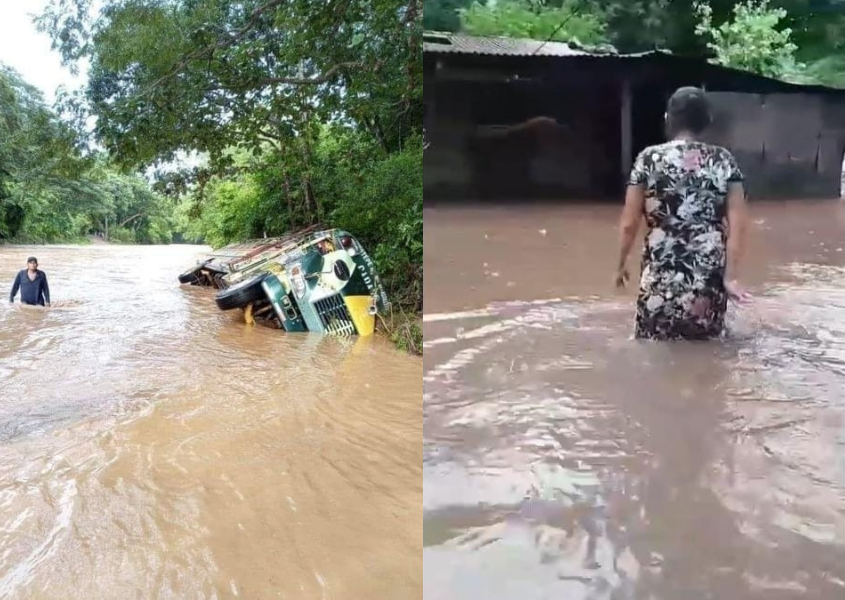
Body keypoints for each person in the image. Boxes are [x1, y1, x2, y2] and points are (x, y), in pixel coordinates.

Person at [615, 86, 749, 340]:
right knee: (709, 359)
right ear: (706, 121)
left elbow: (629, 223)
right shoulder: (724, 161)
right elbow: (739, 224)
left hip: (659, 283)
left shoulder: (648, 159)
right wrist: (730, 277)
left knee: (650, 354)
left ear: (668, 118)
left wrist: (621, 265)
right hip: (707, 284)